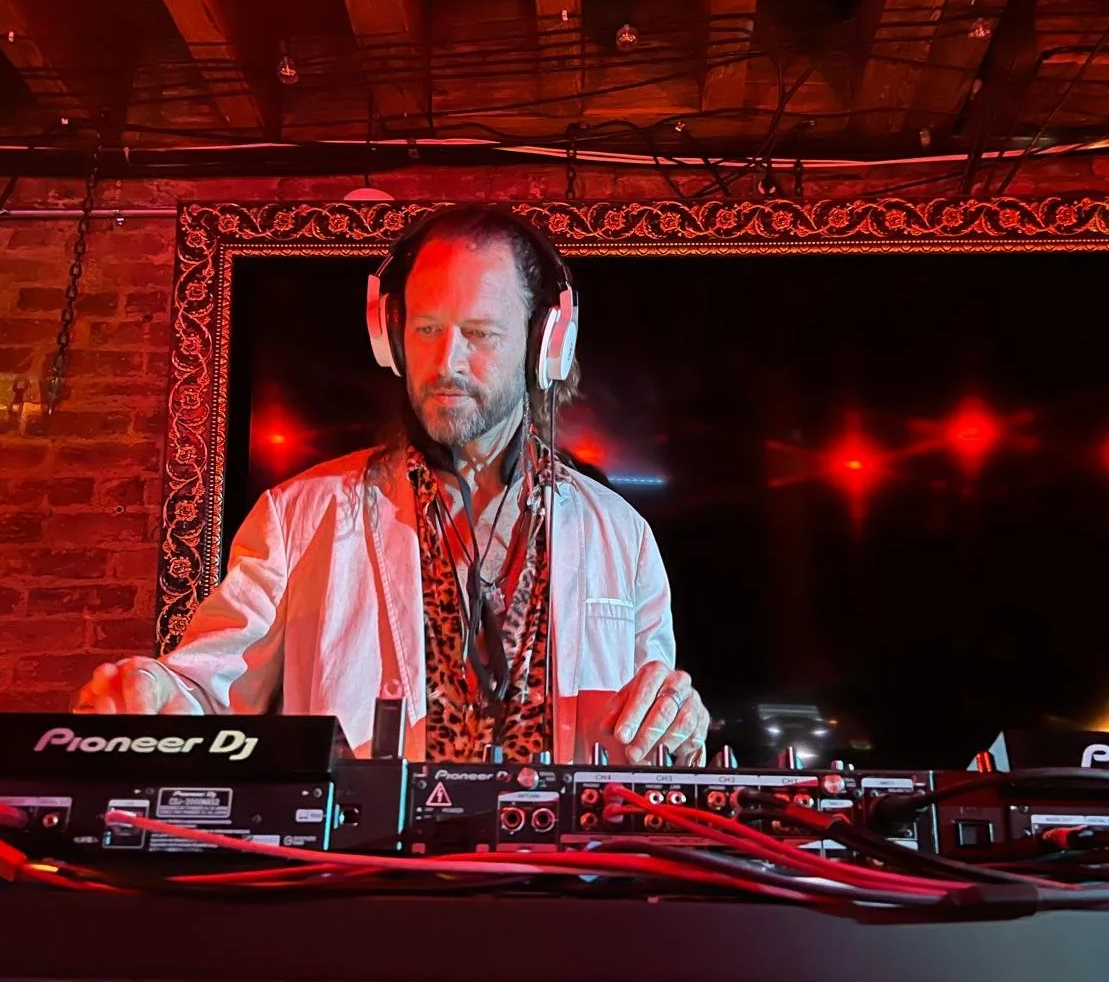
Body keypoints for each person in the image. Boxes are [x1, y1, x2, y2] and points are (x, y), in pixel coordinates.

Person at [75, 203, 709, 764]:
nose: (446, 363)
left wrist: (677, 727)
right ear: (392, 338)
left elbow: (657, 741)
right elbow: (203, 696)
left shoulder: (622, 535)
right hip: (365, 864)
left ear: (545, 344)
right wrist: (155, 695)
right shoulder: (297, 519)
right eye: (427, 329)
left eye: (480, 334)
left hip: (556, 864)